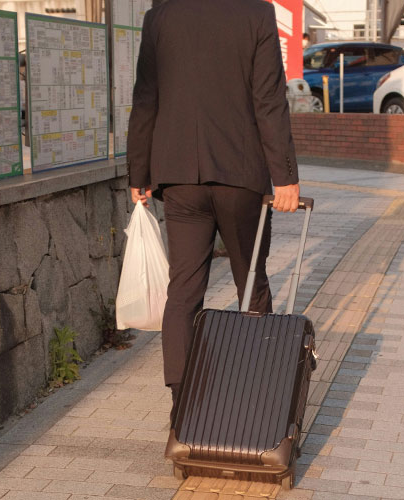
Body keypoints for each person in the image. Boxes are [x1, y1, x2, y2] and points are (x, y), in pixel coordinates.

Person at [127, 0, 300, 420]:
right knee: (251, 285)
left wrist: (138, 174)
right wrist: (285, 176)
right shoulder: (256, 14)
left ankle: (182, 407)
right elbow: (269, 100)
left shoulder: (160, 17)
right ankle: (259, 401)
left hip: (180, 177)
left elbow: (146, 98)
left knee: (183, 292)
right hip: (241, 176)